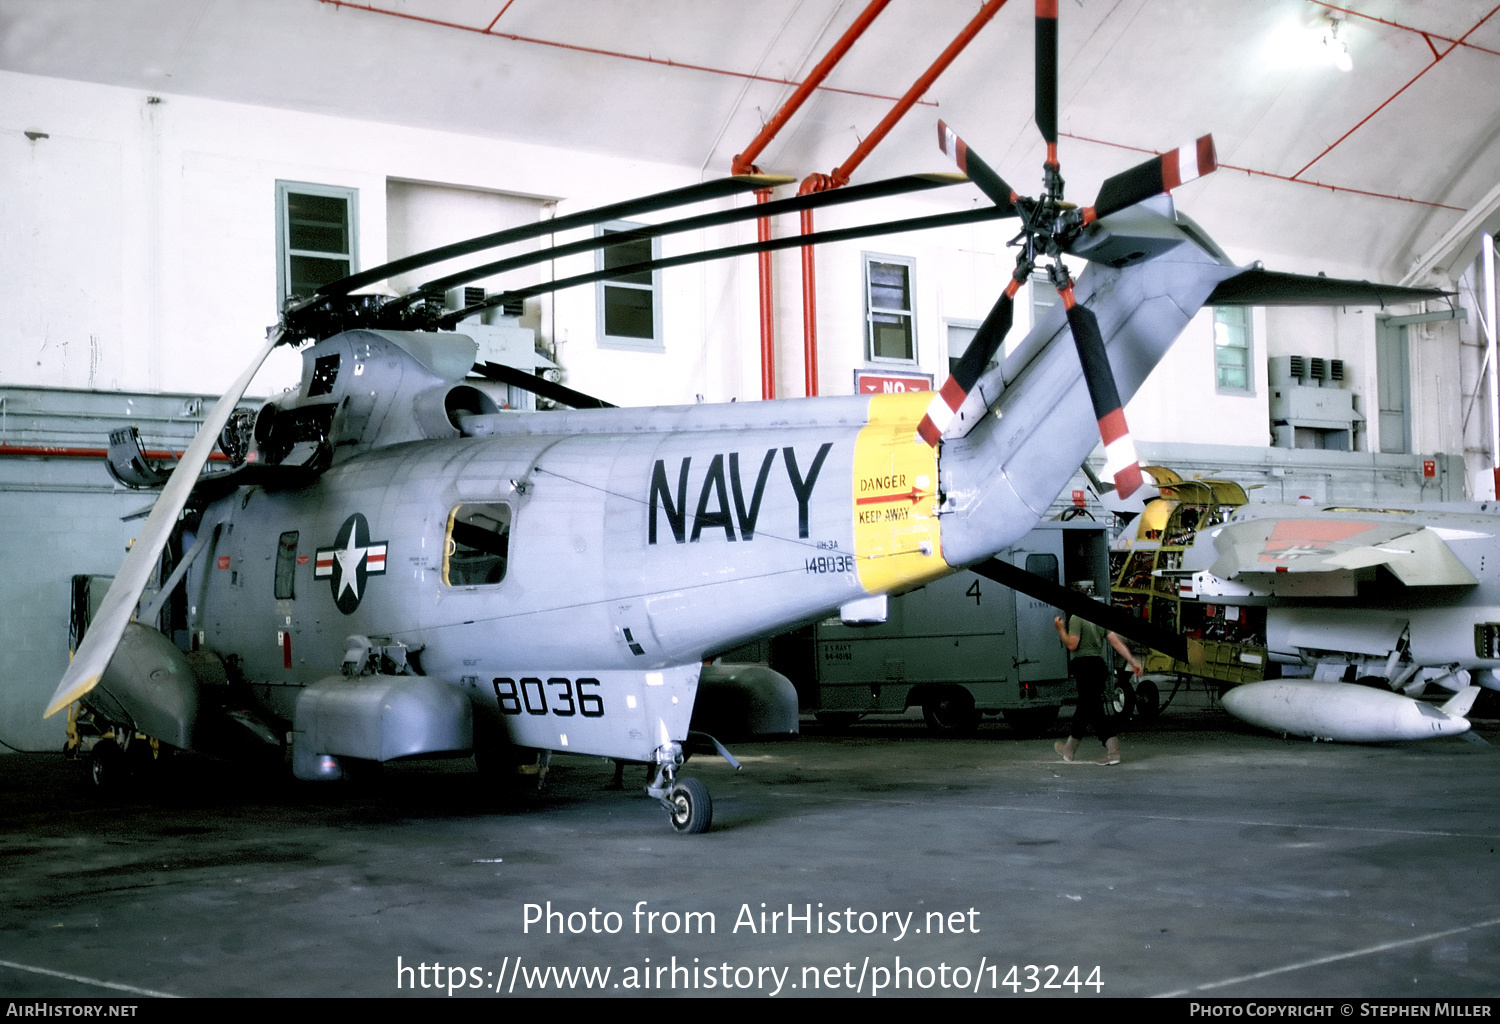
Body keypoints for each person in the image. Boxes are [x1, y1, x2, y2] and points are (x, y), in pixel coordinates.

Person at [1053, 605, 1143, 765]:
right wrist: (1132, 660)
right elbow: (1115, 642)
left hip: (1084, 667)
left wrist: (1060, 629)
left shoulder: (1076, 617)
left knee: (1093, 710)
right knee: (1085, 707)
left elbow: (1072, 645)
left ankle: (1112, 752)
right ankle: (1069, 749)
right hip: (1098, 666)